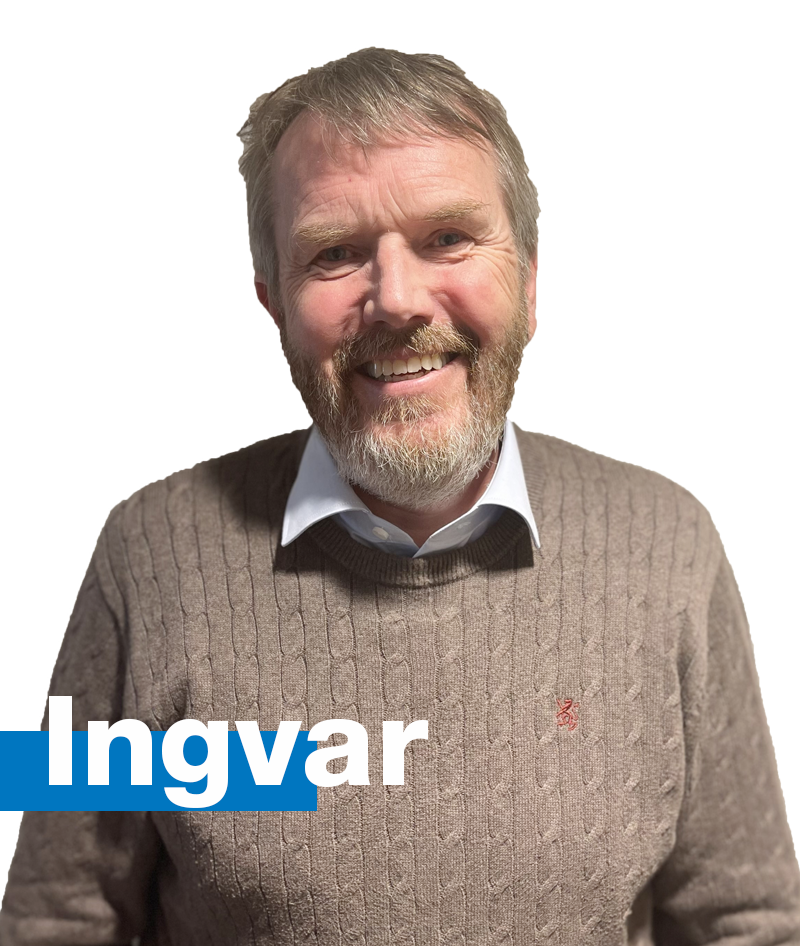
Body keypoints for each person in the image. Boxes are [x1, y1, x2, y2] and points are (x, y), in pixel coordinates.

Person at [1, 47, 798, 946]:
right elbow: (53, 921)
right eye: (335, 254)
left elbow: (748, 923)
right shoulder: (144, 554)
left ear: (530, 280)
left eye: (448, 237)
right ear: (274, 306)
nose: (397, 300)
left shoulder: (671, 546)